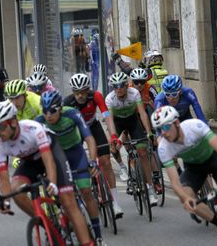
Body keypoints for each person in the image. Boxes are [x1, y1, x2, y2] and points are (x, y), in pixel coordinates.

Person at [0, 101, 95, 246]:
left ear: (13, 122)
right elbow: (4, 180)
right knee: (16, 191)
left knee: (68, 202)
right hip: (29, 162)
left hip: (52, 154)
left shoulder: (33, 129)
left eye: (1, 127)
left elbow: (48, 160)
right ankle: (47, 224)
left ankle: (87, 243)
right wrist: (6, 201)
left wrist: (52, 183)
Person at [151, 105, 217, 245]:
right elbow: (174, 182)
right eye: (160, 129)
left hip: (213, 159)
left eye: (166, 127)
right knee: (186, 197)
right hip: (194, 168)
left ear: (177, 123)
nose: (164, 133)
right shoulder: (164, 148)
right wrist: (185, 198)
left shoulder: (194, 126)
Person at [36, 90, 105, 244]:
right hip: (57, 158)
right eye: (45, 111)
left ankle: (98, 235)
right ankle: (64, 224)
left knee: (86, 191)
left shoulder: (72, 114)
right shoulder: (40, 121)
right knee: (61, 198)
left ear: (60, 108)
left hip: (76, 153)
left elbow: (89, 139)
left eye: (53, 110)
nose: (49, 115)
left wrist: (93, 161)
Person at [64, 73, 125, 217]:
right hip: (76, 132)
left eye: (83, 91)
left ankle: (115, 202)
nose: (80, 95)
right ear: (72, 91)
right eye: (76, 91)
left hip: (93, 127)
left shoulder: (96, 96)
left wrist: (114, 136)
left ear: (88, 89)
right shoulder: (67, 102)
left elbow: (107, 117)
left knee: (106, 162)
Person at [105, 72, 159, 206]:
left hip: (133, 121)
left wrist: (148, 132)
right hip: (117, 123)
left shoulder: (134, 93)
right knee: (111, 145)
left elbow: (142, 113)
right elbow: (110, 120)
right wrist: (113, 137)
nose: (119, 88)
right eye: (115, 86)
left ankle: (150, 189)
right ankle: (123, 167)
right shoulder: (110, 98)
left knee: (143, 153)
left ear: (126, 86)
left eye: (121, 85)